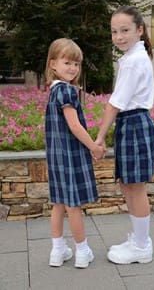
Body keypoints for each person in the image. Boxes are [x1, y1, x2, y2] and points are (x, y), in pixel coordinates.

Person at [95, 5, 154, 265]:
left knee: (135, 186)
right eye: (114, 31)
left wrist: (99, 138)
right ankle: (139, 240)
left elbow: (114, 104)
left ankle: (142, 246)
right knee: (128, 185)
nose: (118, 37)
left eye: (125, 30)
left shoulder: (133, 61)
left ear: (139, 30)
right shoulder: (132, 57)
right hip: (131, 124)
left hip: (133, 124)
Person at [45, 38, 104, 269]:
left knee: (58, 204)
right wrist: (94, 146)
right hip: (70, 157)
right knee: (73, 206)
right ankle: (82, 251)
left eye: (77, 64)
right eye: (67, 62)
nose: (72, 68)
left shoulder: (53, 92)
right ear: (53, 64)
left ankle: (57, 251)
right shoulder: (68, 92)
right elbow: (74, 125)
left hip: (56, 157)